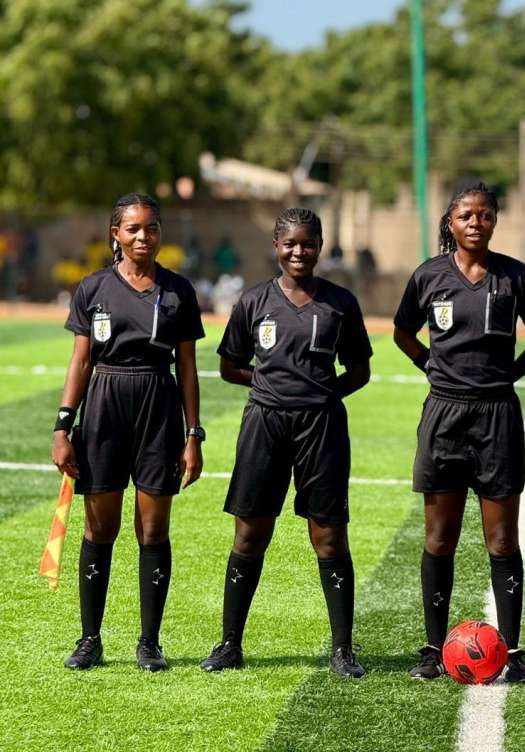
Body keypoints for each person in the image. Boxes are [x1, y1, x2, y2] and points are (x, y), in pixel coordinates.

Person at [393, 182, 525, 681]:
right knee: (439, 537)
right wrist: (429, 364)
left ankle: (512, 651)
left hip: (496, 415)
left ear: (495, 221)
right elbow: (402, 331)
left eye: (485, 215)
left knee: (502, 540)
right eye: (466, 215)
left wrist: (511, 373)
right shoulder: (429, 275)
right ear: (451, 222)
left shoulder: (515, 276)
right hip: (444, 415)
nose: (475, 223)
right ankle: (431, 649)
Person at [200, 208, 372, 677]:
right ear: (276, 246)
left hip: (322, 427)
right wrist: (269, 386)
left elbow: (359, 371)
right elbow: (229, 366)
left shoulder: (340, 303)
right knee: (250, 533)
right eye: (290, 243)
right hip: (264, 425)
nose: (299, 251)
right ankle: (230, 644)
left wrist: (320, 395)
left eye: (307, 243)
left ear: (320, 246)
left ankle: (342, 650)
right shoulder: (254, 301)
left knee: (329, 536)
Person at [52, 193, 205, 671]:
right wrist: (63, 425)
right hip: (105, 406)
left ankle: (149, 643)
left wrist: (194, 434)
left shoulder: (178, 290)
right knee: (100, 528)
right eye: (133, 228)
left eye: (151, 227)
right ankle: (89, 640)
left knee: (153, 529)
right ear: (115, 234)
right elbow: (81, 361)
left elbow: (187, 367)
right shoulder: (93, 287)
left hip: (159, 406)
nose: (143, 236)